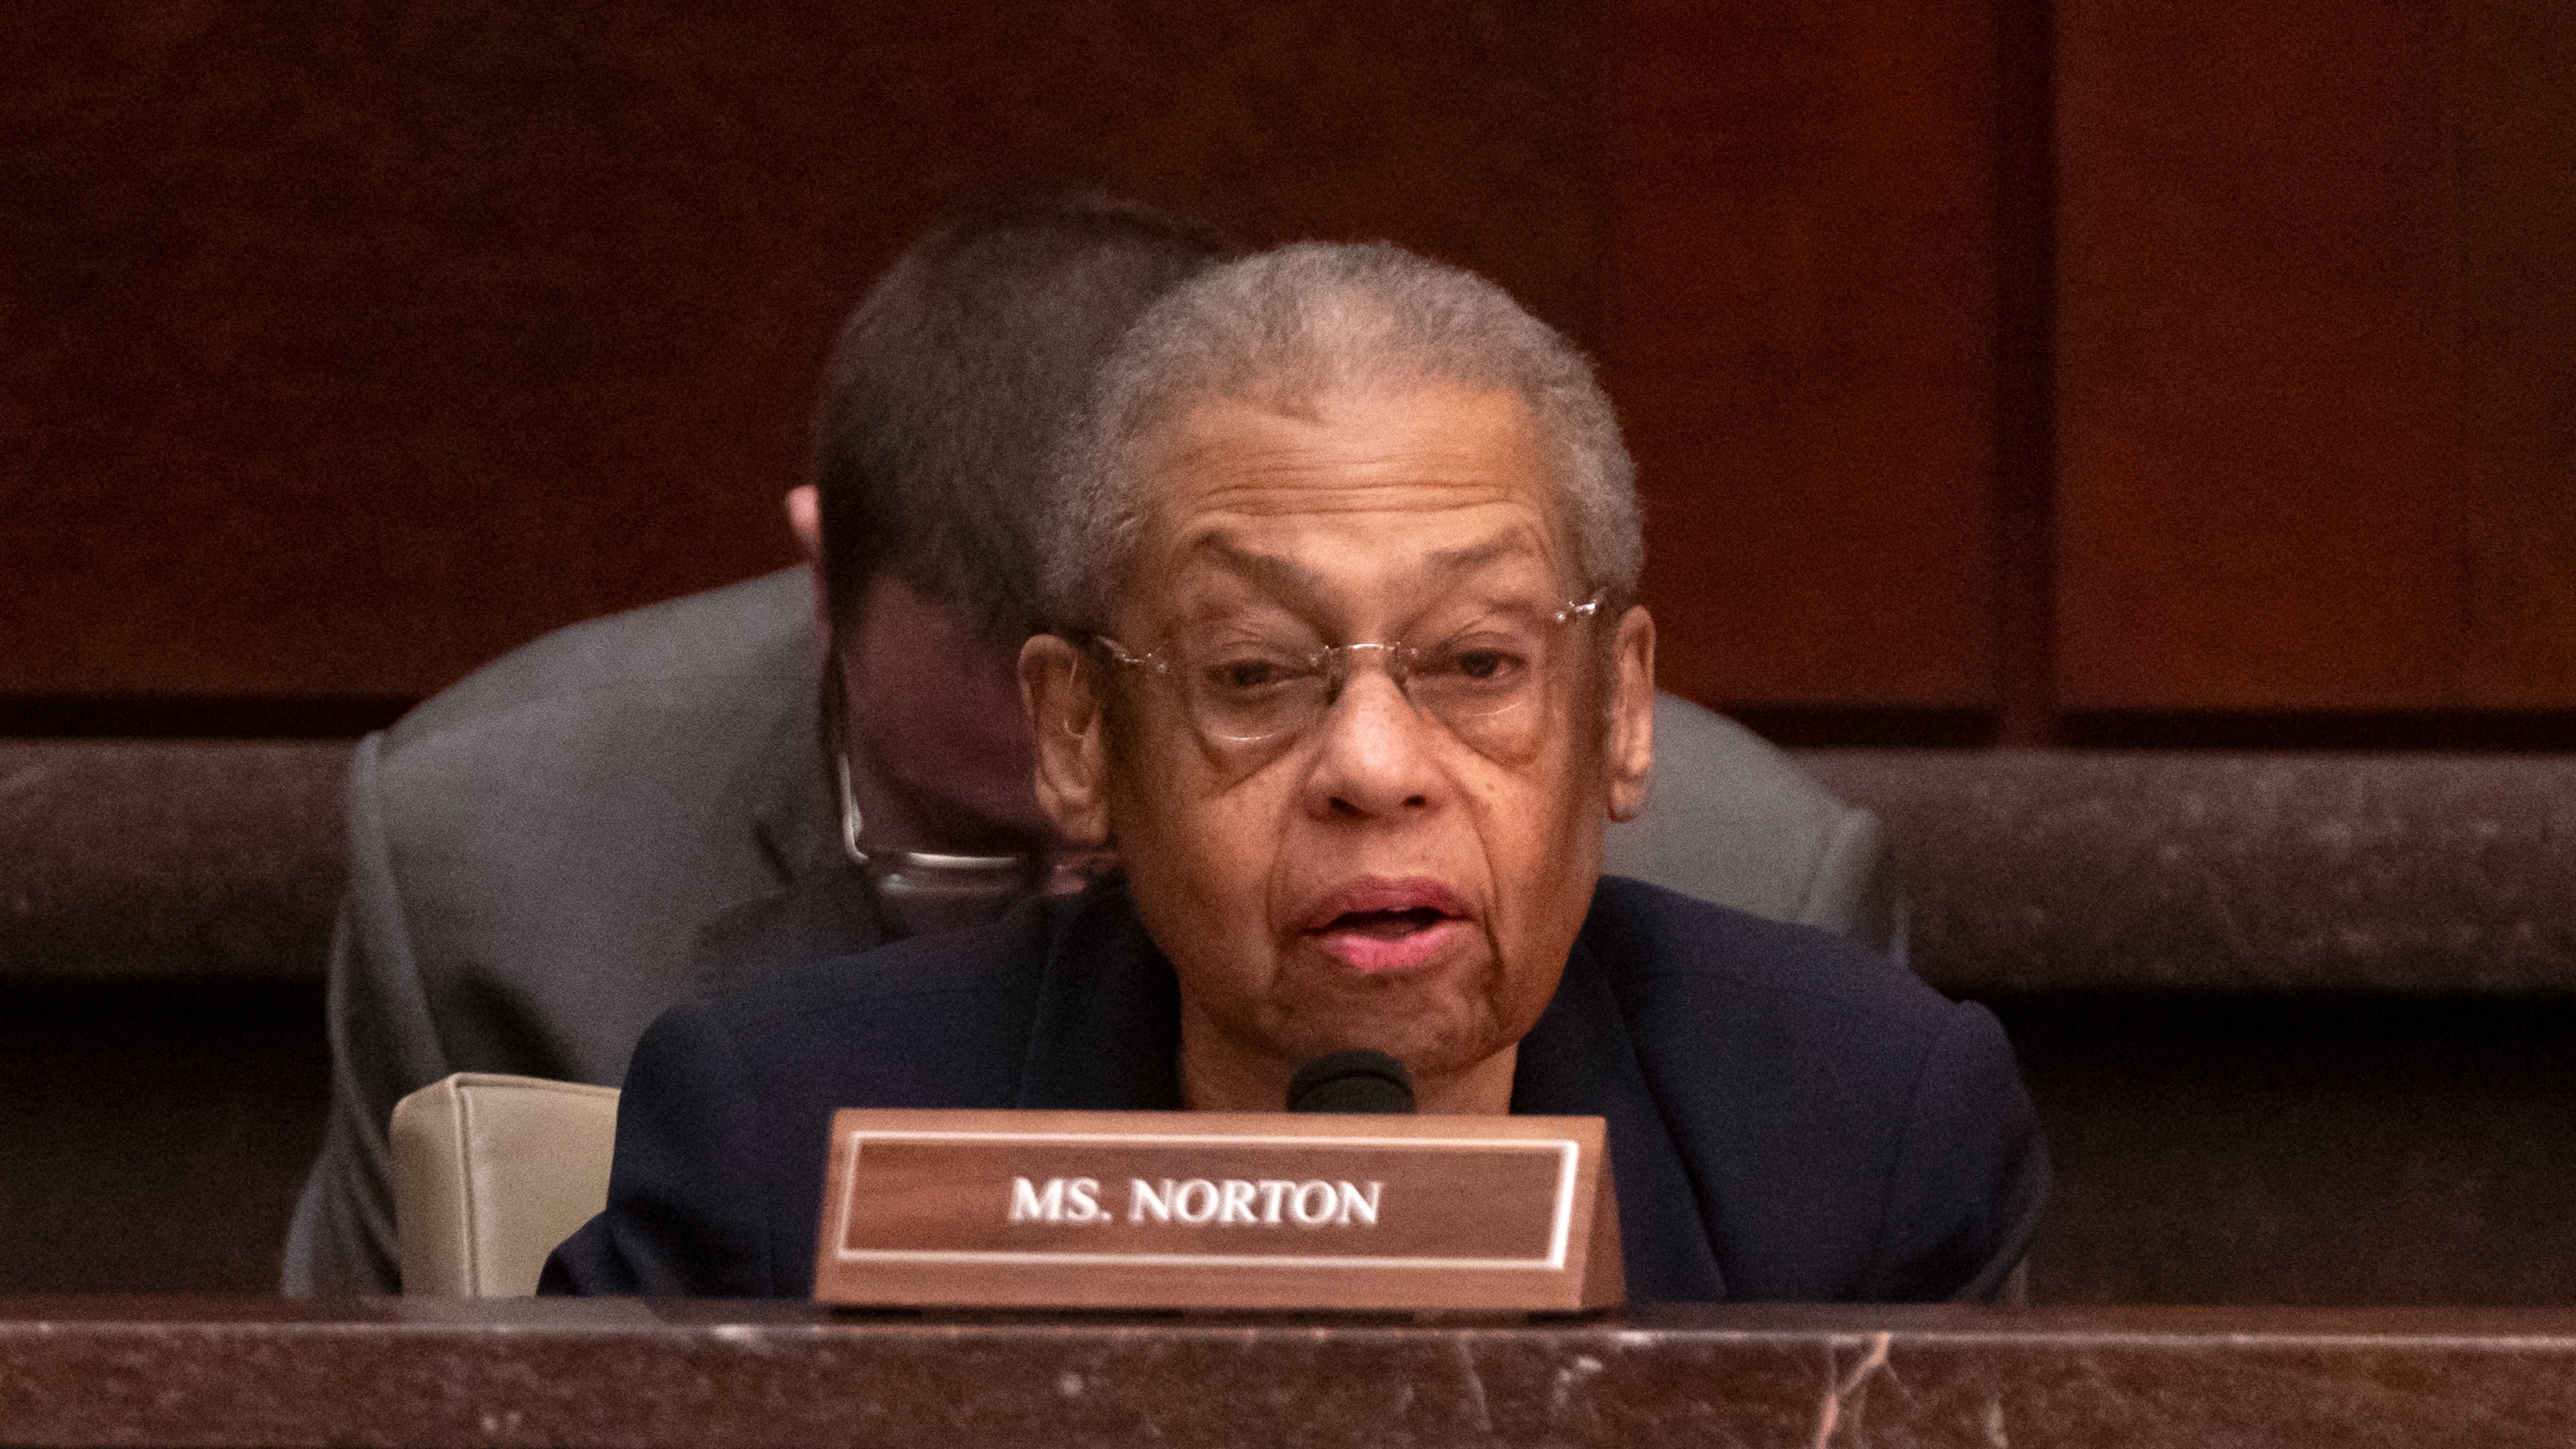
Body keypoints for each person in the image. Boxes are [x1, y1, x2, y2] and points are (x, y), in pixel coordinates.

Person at [541, 243, 2044, 1302]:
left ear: (1621, 710)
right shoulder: (786, 1136)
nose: (1376, 770)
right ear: (1079, 738)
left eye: (1477, 666)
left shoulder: (1861, 1129)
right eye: (1255, 676)